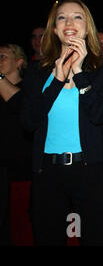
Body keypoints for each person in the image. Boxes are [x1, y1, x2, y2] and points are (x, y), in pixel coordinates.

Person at [20, 0, 103, 245]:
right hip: (47, 172)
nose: (69, 23)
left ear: (87, 27)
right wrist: (56, 80)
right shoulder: (36, 71)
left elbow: (99, 115)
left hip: (88, 169)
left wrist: (80, 74)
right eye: (62, 17)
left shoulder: (102, 68)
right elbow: (29, 122)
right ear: (54, 28)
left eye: (77, 17)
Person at [0, 43, 31, 245]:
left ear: (19, 62)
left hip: (22, 169)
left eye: (2, 56)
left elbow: (19, 105)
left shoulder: (29, 88)